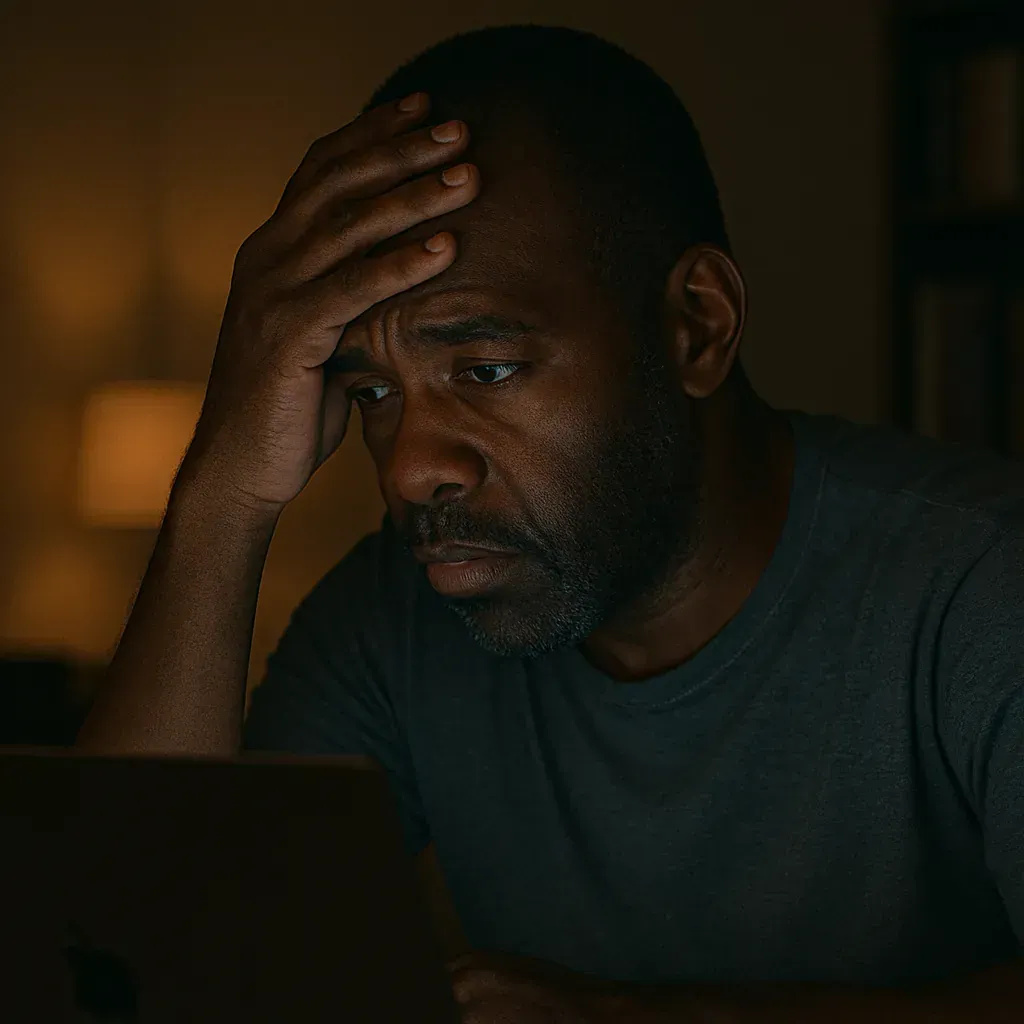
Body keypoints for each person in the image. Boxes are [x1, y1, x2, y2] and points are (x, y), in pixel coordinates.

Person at [77, 23, 1024, 1022]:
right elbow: (117, 971)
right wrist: (223, 494)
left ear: (696, 323)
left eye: (485, 370)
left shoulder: (981, 586)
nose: (410, 469)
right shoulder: (390, 623)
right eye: (370, 394)